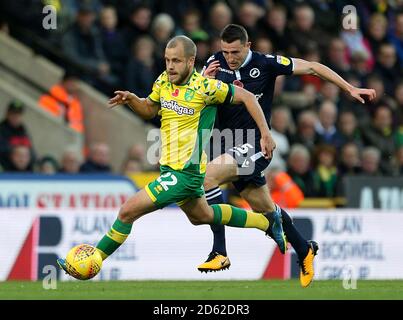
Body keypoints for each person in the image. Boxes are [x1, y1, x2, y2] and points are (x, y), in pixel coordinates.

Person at [57, 35, 287, 278]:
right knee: (203, 216)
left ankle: (90, 262)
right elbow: (149, 109)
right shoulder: (164, 81)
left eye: (176, 61)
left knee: (127, 211)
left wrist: (264, 133)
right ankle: (268, 222)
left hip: (186, 173)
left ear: (190, 61)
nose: (170, 66)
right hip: (169, 169)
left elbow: (248, 97)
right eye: (167, 60)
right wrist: (134, 101)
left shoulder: (206, 88)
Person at [198, 24, 376, 287]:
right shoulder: (215, 62)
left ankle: (220, 251)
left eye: (235, 51)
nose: (229, 57)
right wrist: (204, 79)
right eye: (225, 51)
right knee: (265, 209)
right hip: (229, 146)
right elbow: (200, 95)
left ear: (248, 46)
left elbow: (314, 66)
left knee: (208, 177)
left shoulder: (266, 63)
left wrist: (348, 88)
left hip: (257, 144)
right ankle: (305, 249)